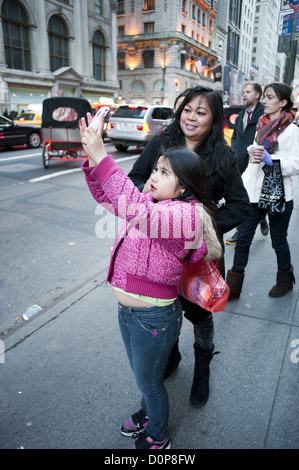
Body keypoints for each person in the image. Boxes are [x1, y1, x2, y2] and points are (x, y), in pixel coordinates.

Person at [80, 112, 222, 449]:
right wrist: (91, 157)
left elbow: (133, 209)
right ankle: (149, 414)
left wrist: (102, 155)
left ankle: (158, 438)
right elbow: (108, 196)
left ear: (184, 184)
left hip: (154, 318)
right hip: (129, 313)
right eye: (155, 169)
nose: (153, 177)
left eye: (163, 172)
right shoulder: (151, 203)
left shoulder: (186, 217)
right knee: (146, 380)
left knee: (151, 383)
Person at [127, 86, 251, 408]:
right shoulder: (161, 143)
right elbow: (135, 178)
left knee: (200, 313)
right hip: (158, 248)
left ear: (214, 120)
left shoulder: (224, 156)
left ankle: (202, 369)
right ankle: (171, 356)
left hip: (200, 254)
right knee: (164, 310)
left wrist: (202, 225)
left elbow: (241, 205)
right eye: (188, 109)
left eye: (201, 112)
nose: (192, 117)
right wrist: (156, 201)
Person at [226, 82, 299, 300]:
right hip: (254, 193)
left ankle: (285, 279)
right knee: (244, 239)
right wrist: (253, 154)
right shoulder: (262, 125)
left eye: (269, 97)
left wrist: (271, 160)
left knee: (278, 240)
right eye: (264, 97)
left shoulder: (293, 130)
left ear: (283, 102)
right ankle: (234, 286)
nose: (264, 101)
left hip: (280, 194)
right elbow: (254, 162)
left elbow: (295, 164)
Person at [226, 81, 268, 245]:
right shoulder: (240, 115)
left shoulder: (264, 115)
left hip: (256, 163)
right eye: (244, 92)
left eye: (248, 92)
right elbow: (236, 137)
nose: (244, 94)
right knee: (241, 199)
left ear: (257, 95)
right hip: (239, 162)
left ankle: (261, 218)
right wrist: (233, 151)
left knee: (253, 198)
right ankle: (241, 231)